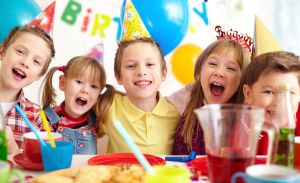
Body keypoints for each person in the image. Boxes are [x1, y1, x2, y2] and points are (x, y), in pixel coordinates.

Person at [95, 38, 180, 155]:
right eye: (131, 66)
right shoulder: (107, 106)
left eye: (149, 64)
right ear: (118, 76)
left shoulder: (176, 114)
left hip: (161, 173)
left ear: (163, 73)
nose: (141, 71)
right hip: (119, 173)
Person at [167, 39, 250, 155]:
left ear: (240, 83)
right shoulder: (189, 94)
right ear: (199, 71)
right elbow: (158, 107)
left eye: (230, 68)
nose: (219, 72)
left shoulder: (244, 110)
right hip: (183, 171)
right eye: (212, 64)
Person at [41, 56, 114, 154]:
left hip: (86, 169)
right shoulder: (47, 118)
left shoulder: (97, 119)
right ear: (63, 83)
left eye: (93, 86)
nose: (85, 90)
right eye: (79, 82)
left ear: (98, 94)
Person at [0, 26, 55, 153]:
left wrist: (13, 151)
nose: (26, 62)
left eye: (36, 61)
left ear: (39, 75)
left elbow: (45, 161)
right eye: (20, 52)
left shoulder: (37, 117)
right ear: (2, 51)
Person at [238, 51, 300, 155]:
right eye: (269, 92)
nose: (280, 102)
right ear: (248, 93)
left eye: (290, 93)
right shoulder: (241, 129)